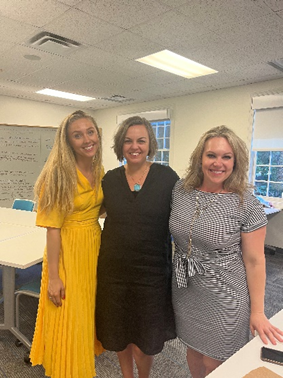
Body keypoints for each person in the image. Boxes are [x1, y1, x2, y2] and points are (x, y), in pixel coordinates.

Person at [169, 125, 283, 378]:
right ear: (200, 157)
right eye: (211, 155)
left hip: (225, 294)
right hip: (186, 288)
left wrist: (258, 312)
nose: (217, 163)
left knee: (216, 363)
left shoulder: (246, 202)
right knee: (194, 353)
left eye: (226, 156)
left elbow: (255, 261)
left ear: (236, 161)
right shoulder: (181, 190)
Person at [96, 116, 179, 378]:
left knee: (146, 337)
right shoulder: (109, 180)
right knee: (120, 333)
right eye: (128, 141)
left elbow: (185, 214)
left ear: (150, 144)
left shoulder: (167, 178)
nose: (135, 146)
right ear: (121, 145)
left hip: (152, 274)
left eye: (141, 140)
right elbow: (87, 211)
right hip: (114, 273)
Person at [30, 110, 104, 378]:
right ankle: (68, 369)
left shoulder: (97, 168)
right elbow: (52, 229)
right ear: (68, 141)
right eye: (77, 135)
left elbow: (100, 208)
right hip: (68, 251)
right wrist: (53, 277)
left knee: (85, 313)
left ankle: (81, 359)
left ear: (97, 134)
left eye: (90, 132)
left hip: (93, 247)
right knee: (69, 317)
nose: (86, 139)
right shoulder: (57, 174)